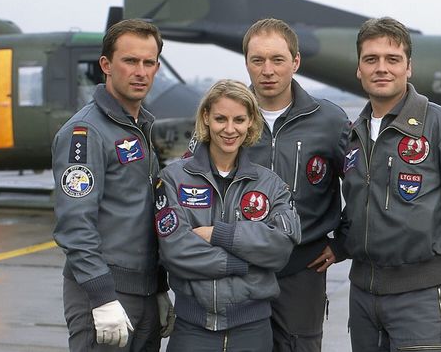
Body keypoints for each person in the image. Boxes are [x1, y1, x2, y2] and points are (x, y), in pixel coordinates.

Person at [330, 17, 441, 352]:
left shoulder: (440, 126)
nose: (382, 68)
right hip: (363, 297)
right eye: (371, 59)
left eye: (392, 59)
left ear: (408, 67)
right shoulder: (354, 134)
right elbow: (357, 208)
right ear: (359, 69)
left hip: (421, 299)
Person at [52, 19, 175, 351]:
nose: (140, 72)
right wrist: (102, 297)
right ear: (106, 65)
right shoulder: (86, 133)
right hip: (104, 295)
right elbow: (75, 225)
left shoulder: (138, 126)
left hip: (144, 293)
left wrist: (158, 286)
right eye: (130, 61)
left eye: (148, 63)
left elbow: (142, 214)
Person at [155, 79, 301, 351]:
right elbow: (175, 251)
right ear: (206, 118)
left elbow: (280, 250)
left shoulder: (270, 185)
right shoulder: (173, 179)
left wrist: (218, 234)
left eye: (239, 119)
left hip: (252, 331)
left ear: (251, 122)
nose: (230, 129)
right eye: (221, 118)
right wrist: (245, 263)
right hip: (192, 330)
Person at [240, 18, 350, 352]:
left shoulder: (329, 121)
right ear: (246, 63)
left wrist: (344, 243)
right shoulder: (228, 117)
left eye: (278, 59)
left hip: (303, 270)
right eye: (258, 60)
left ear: (296, 61)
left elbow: (365, 186)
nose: (267, 70)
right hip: (238, 269)